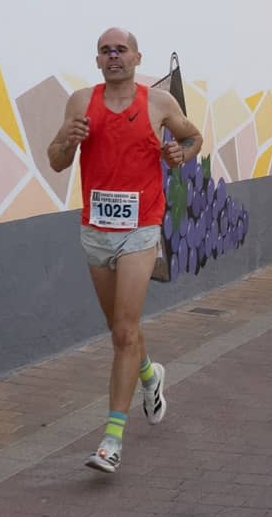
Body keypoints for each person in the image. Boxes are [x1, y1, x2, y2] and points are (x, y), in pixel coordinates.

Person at [47, 27, 203, 473]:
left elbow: (193, 138)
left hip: (141, 228)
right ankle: (150, 375)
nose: (113, 56)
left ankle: (111, 440)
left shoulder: (159, 103)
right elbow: (56, 160)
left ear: (137, 57)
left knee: (123, 331)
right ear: (97, 60)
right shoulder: (81, 102)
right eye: (105, 51)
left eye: (121, 50)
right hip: (96, 230)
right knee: (120, 329)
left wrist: (180, 154)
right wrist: (68, 140)